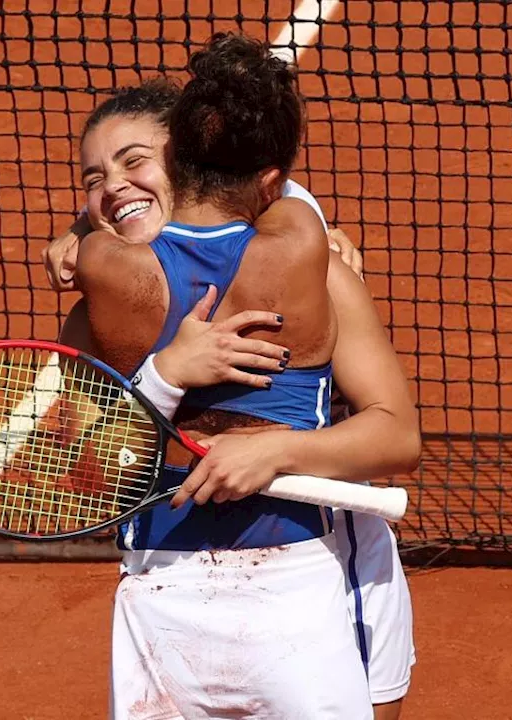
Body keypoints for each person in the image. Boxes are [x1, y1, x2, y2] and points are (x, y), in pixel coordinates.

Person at [67, 34, 420, 718]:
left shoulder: (100, 279)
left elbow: (393, 435)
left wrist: (269, 450)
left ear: (176, 160)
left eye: (134, 162)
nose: (113, 188)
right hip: (278, 595)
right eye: (96, 179)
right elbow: (87, 475)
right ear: (264, 178)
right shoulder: (306, 253)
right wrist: (166, 376)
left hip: (180, 596)